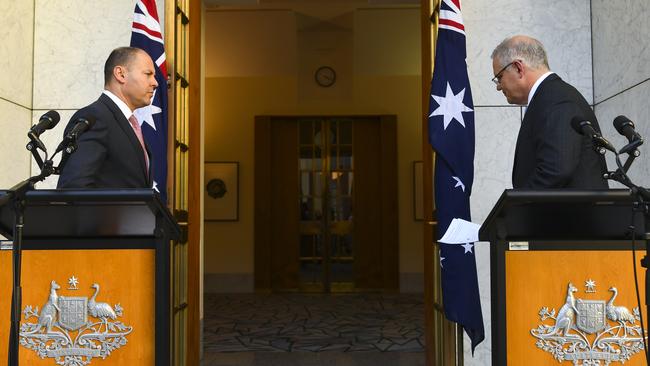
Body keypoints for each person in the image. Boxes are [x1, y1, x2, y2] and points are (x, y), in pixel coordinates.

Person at [491, 35, 608, 189]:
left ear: (519, 68)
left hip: (569, 213)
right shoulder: (550, 96)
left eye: (500, 77)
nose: (498, 86)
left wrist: (520, 205)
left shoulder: (556, 99)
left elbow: (556, 169)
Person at [57, 46, 158, 189]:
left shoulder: (128, 123)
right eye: (148, 74)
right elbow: (74, 188)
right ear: (120, 74)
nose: (155, 83)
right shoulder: (95, 118)